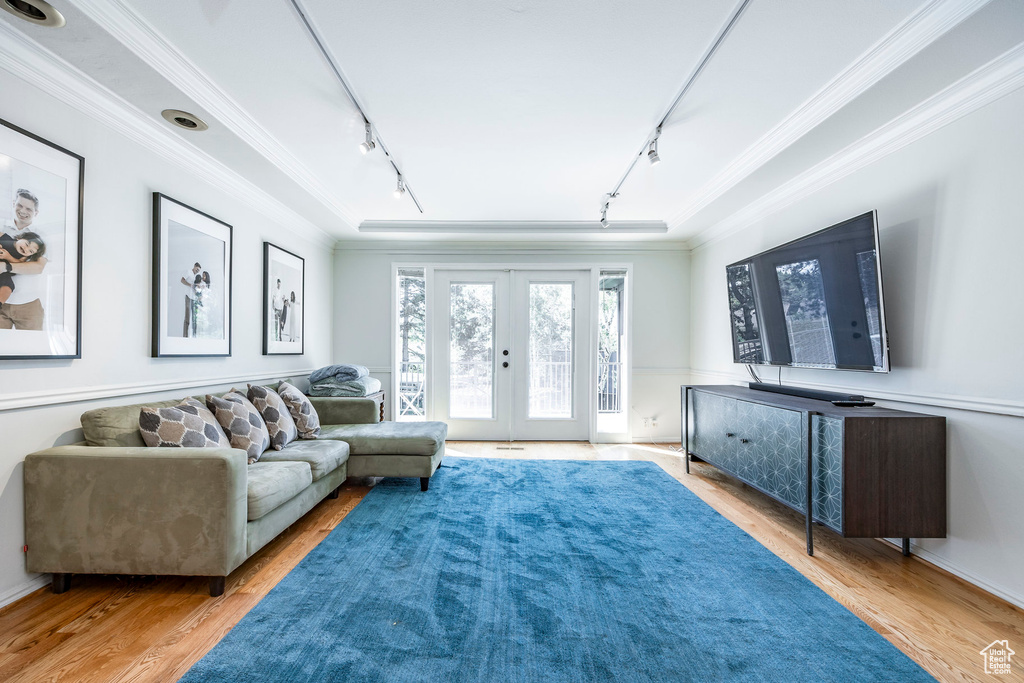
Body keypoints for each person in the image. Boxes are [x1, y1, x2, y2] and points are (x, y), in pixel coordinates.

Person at [0, 189, 48, 330]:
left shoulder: (40, 238)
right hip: (3, 305)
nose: (23, 211)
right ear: (14, 204)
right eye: (20, 205)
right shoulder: (3, 228)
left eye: (28, 208)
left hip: (28, 304)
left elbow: (38, 267)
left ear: (36, 213)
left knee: (32, 347)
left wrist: (6, 265)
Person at [0, 231, 46, 303]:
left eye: (31, 251)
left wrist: (8, 257)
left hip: (4, 273)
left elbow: (20, 263)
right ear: (19, 238)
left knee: (8, 286)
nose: (26, 249)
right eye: (27, 244)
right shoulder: (5, 238)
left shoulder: (23, 257)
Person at [180, 261, 201, 337]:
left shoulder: (195, 277)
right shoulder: (188, 272)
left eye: (198, 271)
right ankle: (185, 336)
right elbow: (182, 280)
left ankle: (194, 336)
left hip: (194, 299)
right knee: (187, 318)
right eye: (197, 269)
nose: (197, 271)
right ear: (194, 266)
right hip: (188, 297)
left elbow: (194, 288)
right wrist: (190, 285)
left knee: (194, 319)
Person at [192, 271, 211, 337]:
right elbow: (196, 289)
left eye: (204, 276)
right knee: (196, 320)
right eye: (202, 275)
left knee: (202, 321)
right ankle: (195, 334)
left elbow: (205, 295)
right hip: (198, 304)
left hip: (203, 305)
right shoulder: (200, 283)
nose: (203, 277)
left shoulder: (206, 286)